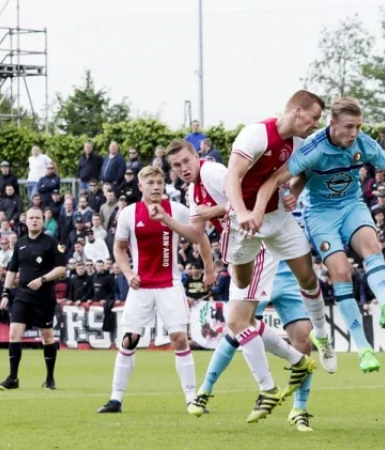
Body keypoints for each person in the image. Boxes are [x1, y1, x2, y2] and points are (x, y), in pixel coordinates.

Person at [251, 97, 385, 372]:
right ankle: (364, 349)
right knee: (341, 272)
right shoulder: (313, 148)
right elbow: (277, 179)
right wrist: (267, 207)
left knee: (372, 248)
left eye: (358, 126)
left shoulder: (364, 144)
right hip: (320, 215)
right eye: (349, 127)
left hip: (352, 206)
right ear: (333, 123)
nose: (354, 133)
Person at [165, 137, 329, 421]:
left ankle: (268, 387)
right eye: (177, 166)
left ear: (197, 156)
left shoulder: (211, 172)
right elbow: (196, 233)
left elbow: (247, 198)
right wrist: (165, 220)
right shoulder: (193, 190)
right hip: (242, 249)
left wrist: (212, 211)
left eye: (186, 161)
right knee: (242, 323)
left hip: (259, 243)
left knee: (237, 322)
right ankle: (297, 361)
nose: (183, 168)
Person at [219, 91, 323, 420]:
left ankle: (320, 334)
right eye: (314, 117)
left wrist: (294, 192)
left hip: (276, 217)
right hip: (242, 220)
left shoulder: (298, 145)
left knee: (307, 272)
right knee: (241, 283)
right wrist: (240, 212)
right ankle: (291, 360)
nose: (316, 123)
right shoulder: (257, 134)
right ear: (297, 110)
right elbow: (231, 176)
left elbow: (303, 172)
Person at [96, 166, 212, 414]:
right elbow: (118, 249)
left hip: (170, 285)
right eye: (150, 183)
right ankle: (116, 399)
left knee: (179, 339)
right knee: (129, 340)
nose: (157, 186)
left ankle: (192, 399)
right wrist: (128, 274)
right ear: (140, 186)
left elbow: (198, 237)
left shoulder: (176, 210)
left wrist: (209, 269)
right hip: (141, 287)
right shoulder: (129, 214)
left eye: (160, 182)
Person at [190, 219, 319, 431]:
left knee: (303, 339)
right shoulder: (269, 192)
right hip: (261, 267)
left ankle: (299, 410)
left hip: (289, 275)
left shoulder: (299, 196)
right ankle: (205, 389)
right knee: (236, 329)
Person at [0, 206, 67, 391]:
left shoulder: (51, 242)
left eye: (37, 218)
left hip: (44, 297)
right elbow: (12, 270)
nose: (34, 220)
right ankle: (13, 378)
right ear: (25, 221)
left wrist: (42, 279)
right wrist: (5, 293)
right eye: (31, 218)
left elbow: (61, 269)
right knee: (14, 334)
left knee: (47, 336)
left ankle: (50, 378)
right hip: (22, 296)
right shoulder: (20, 244)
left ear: (43, 221)